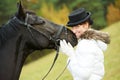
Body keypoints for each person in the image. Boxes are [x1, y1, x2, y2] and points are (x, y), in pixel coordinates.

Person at [60, 8, 110, 80]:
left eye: (77, 27)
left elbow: (84, 75)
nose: (74, 31)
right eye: (72, 27)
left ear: (86, 25)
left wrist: (71, 55)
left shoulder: (85, 44)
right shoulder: (90, 41)